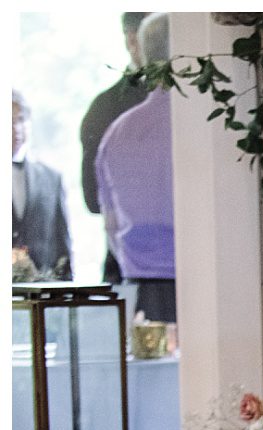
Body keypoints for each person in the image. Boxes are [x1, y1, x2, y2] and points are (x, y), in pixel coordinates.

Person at [95, 13, 176, 321]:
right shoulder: (205, 126)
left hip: (140, 286)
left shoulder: (117, 131)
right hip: (207, 281)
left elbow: (110, 223)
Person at [79, 12, 150, 282]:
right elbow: (92, 196)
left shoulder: (189, 98)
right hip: (125, 263)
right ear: (132, 40)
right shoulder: (106, 108)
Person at [12, 90, 73, 278]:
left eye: (21, 120)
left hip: (42, 292)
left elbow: (62, 243)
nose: (16, 128)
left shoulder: (51, 178)